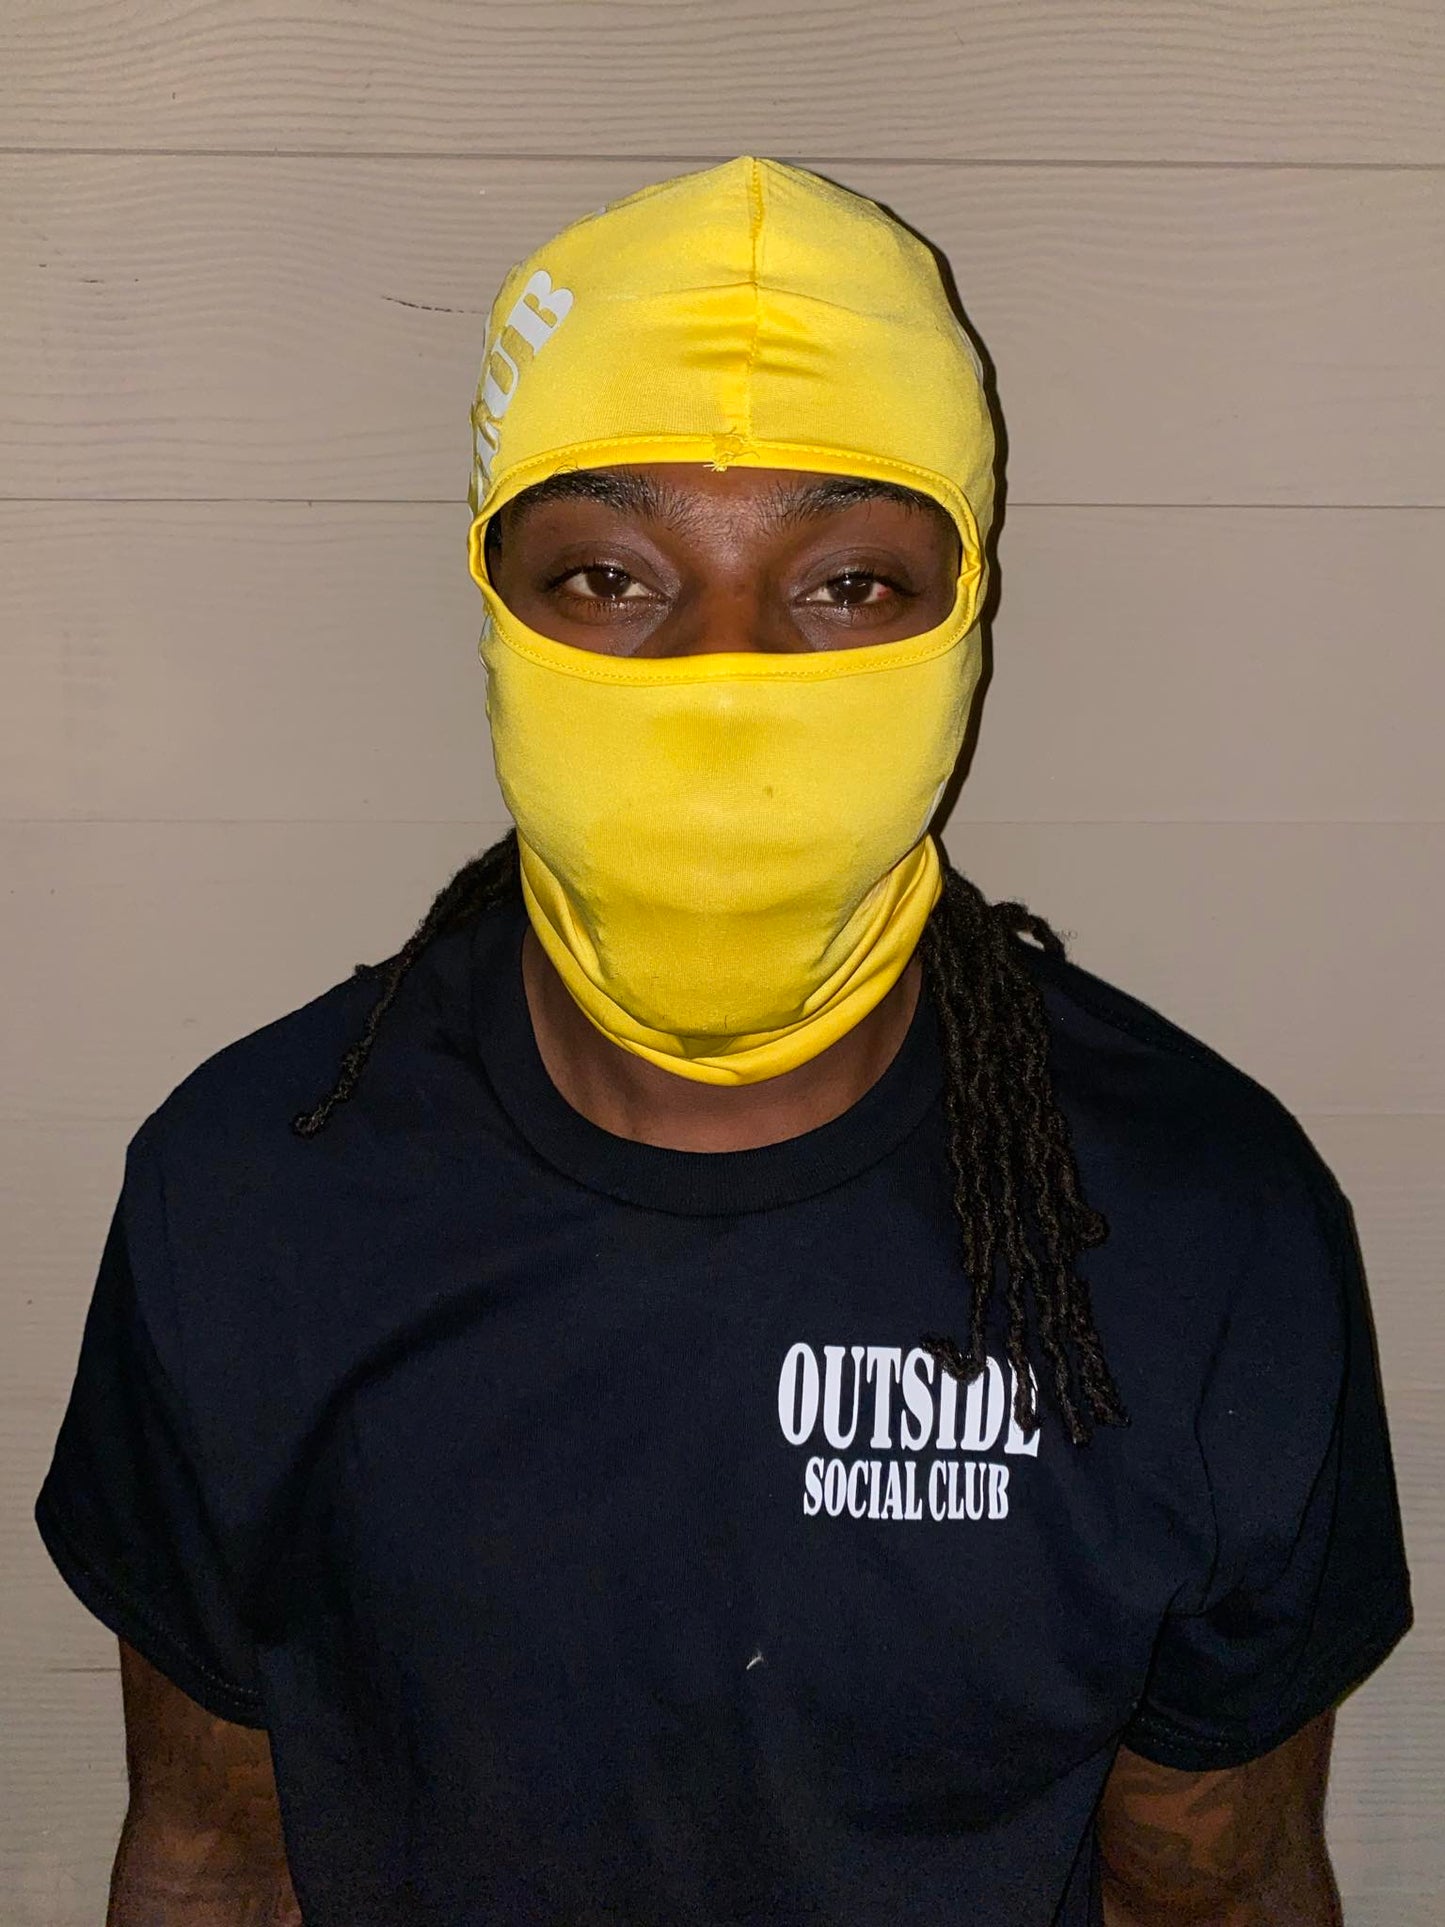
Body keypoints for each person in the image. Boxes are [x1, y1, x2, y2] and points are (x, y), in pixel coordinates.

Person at [36, 157, 1410, 1927]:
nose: (726, 681)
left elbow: (1211, 1890)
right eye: (610, 576)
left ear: (967, 626)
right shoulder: (249, 1195)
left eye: (845, 587)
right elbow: (218, 1859)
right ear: (492, 609)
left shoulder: (1201, 1227)